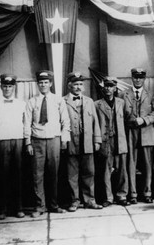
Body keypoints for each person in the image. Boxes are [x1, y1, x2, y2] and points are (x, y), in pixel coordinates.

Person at [25, 70, 70, 217]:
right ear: (38, 84)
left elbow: (65, 121)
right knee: (37, 175)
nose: (43, 85)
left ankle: (54, 204)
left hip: (54, 140)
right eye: (40, 82)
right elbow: (26, 123)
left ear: (50, 83)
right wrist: (28, 143)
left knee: (54, 173)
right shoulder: (32, 101)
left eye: (46, 82)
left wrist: (64, 139)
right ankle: (40, 206)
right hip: (37, 140)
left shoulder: (58, 100)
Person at [0, 74, 27, 219]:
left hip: (18, 140)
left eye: (10, 86)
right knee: (1, 176)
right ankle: (2, 209)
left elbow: (26, 123)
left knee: (18, 175)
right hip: (1, 141)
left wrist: (26, 141)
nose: (7, 89)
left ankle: (18, 208)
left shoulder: (21, 104)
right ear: (1, 87)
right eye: (5, 86)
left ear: (14, 87)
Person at [64, 72, 103, 211]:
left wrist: (97, 140)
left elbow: (95, 122)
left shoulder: (89, 101)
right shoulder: (63, 101)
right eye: (75, 84)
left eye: (80, 84)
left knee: (89, 172)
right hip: (71, 143)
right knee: (72, 174)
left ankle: (90, 200)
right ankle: (74, 201)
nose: (78, 87)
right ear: (69, 85)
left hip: (87, 143)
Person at [122, 67, 154, 204]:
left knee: (147, 165)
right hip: (130, 133)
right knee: (130, 164)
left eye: (141, 77)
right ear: (132, 78)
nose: (138, 80)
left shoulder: (151, 95)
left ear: (144, 79)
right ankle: (132, 194)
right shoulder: (123, 94)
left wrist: (144, 120)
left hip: (146, 132)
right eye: (135, 77)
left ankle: (147, 192)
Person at [94, 77, 129, 207]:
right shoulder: (97, 104)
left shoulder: (121, 102)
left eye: (111, 86)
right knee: (105, 170)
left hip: (119, 139)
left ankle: (122, 195)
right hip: (105, 140)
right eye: (106, 86)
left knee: (121, 169)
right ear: (103, 88)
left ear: (115, 88)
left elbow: (126, 119)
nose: (108, 89)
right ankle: (108, 197)